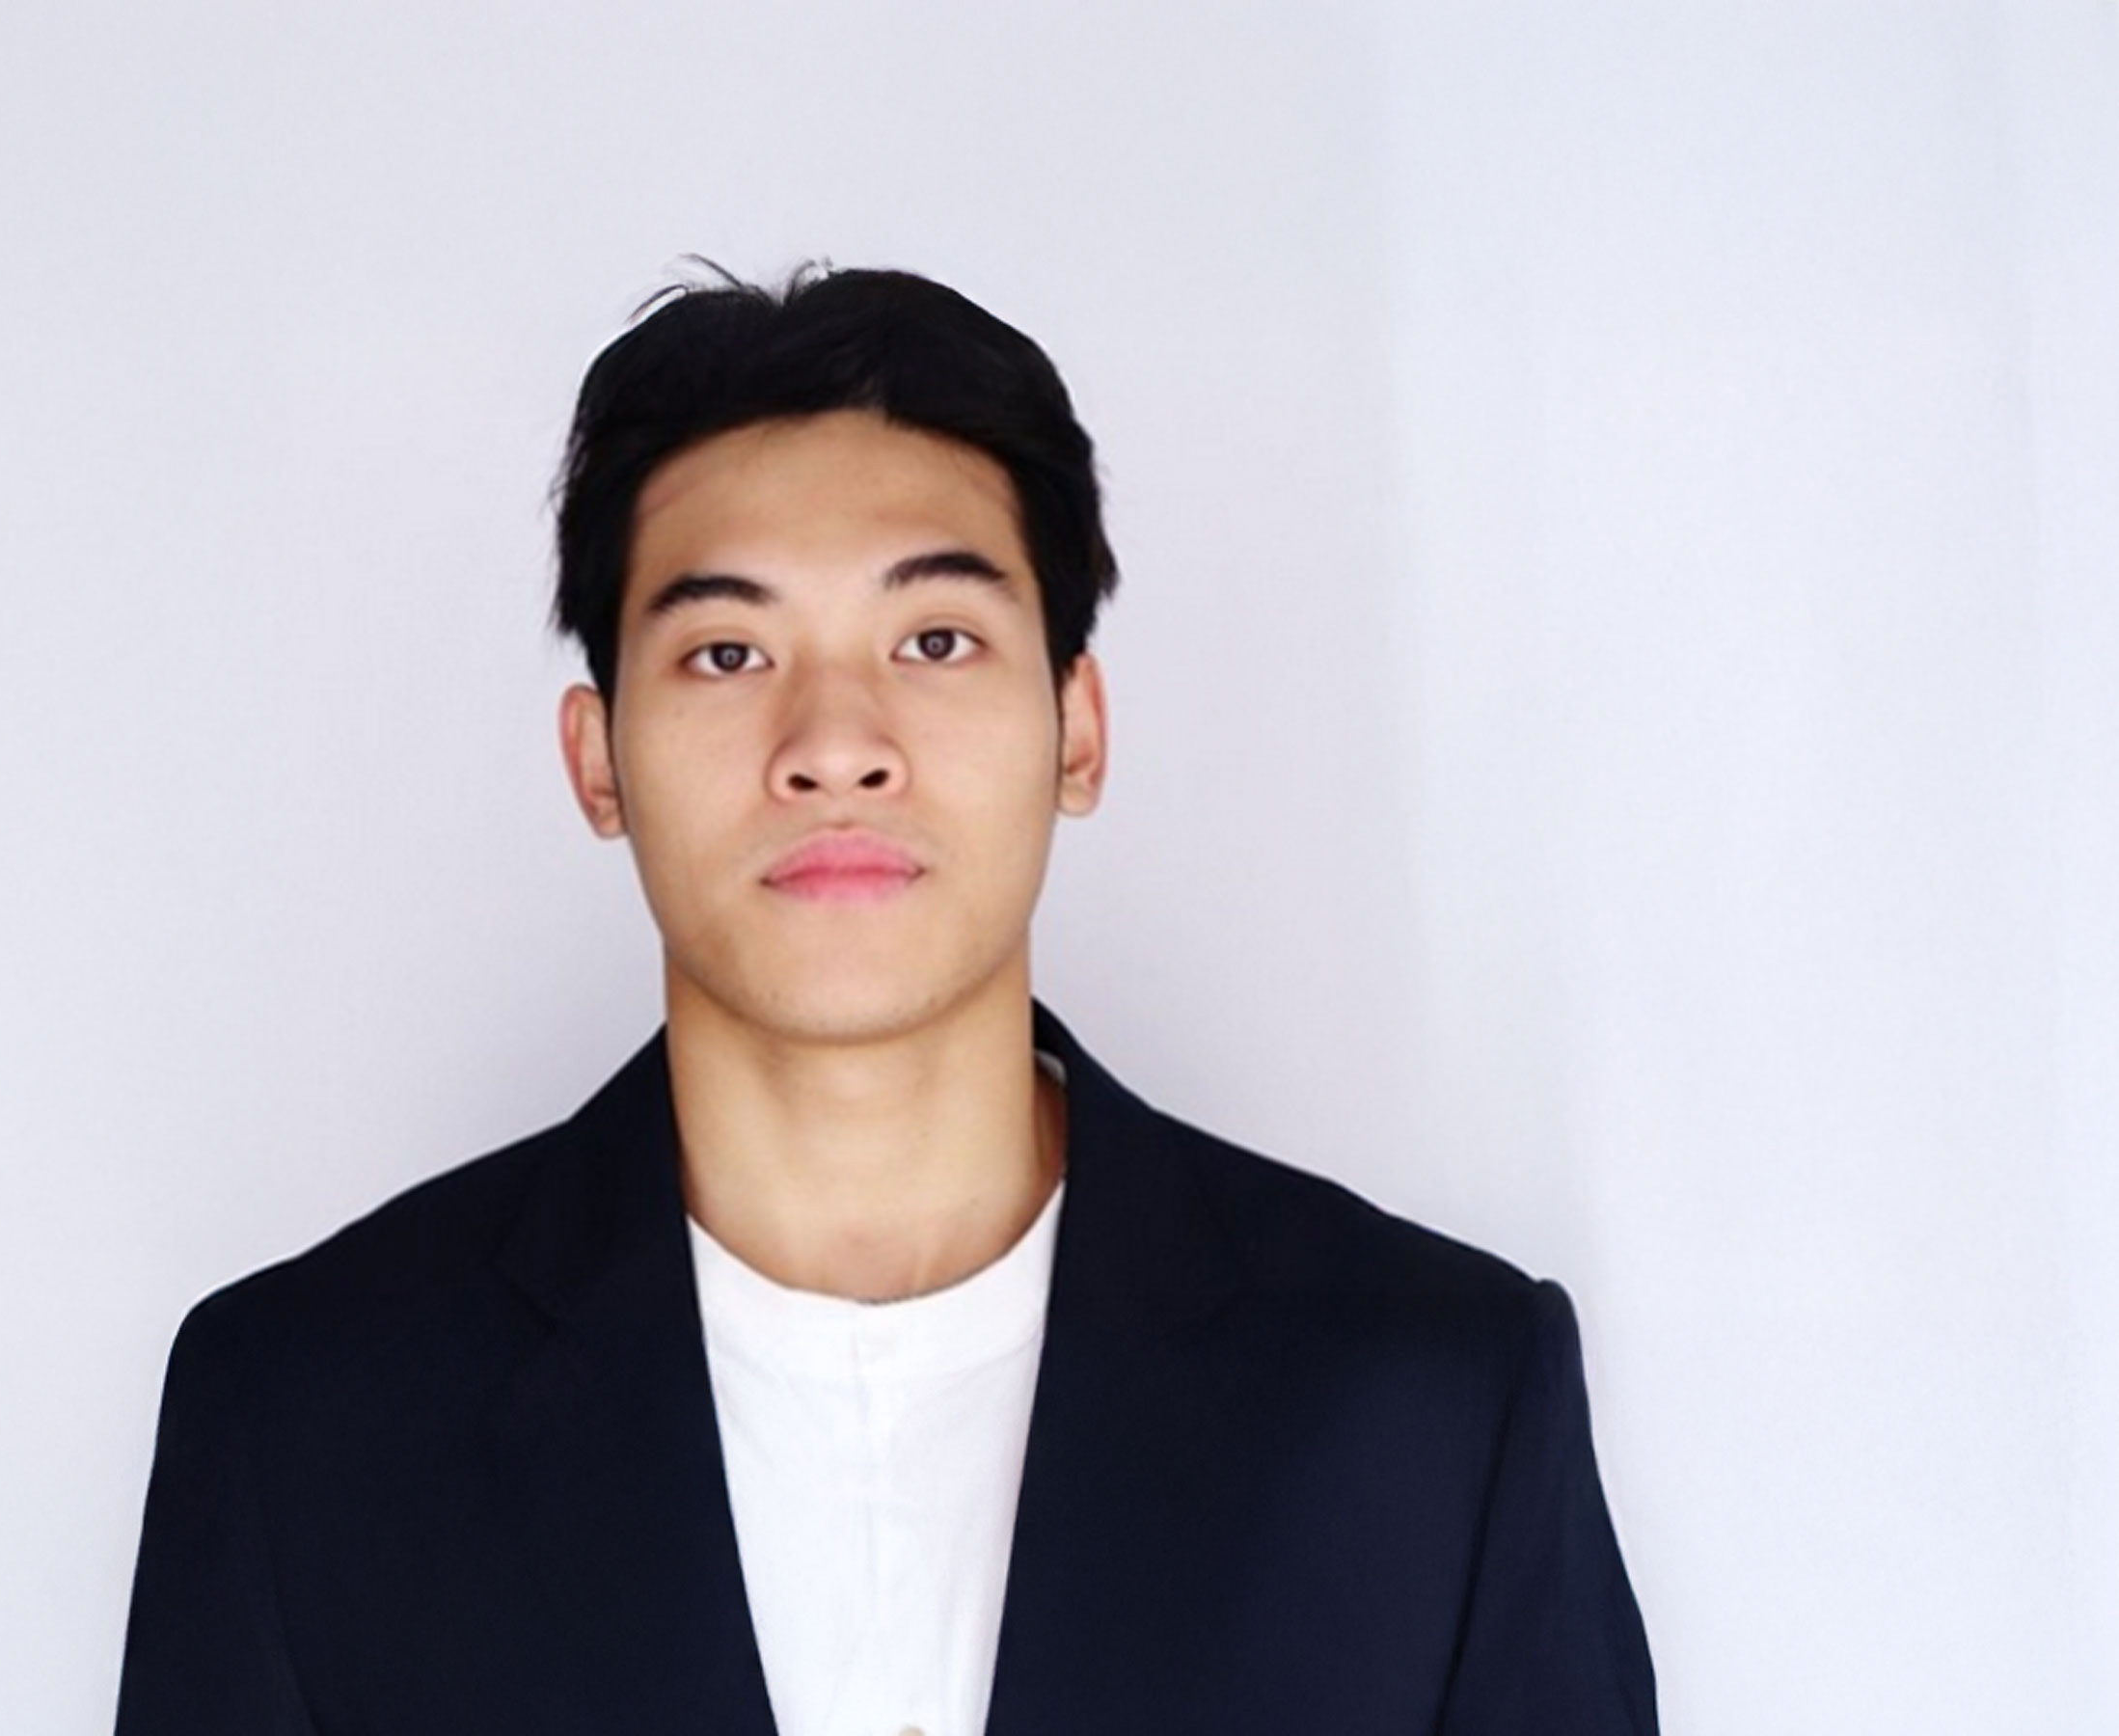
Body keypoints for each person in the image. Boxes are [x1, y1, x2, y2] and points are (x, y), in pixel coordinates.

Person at [113, 266, 1657, 1735]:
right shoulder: (303, 1422)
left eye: (935, 640)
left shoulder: (1438, 1402)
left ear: (1076, 729)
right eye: (728, 651)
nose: (835, 744)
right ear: (598, 761)